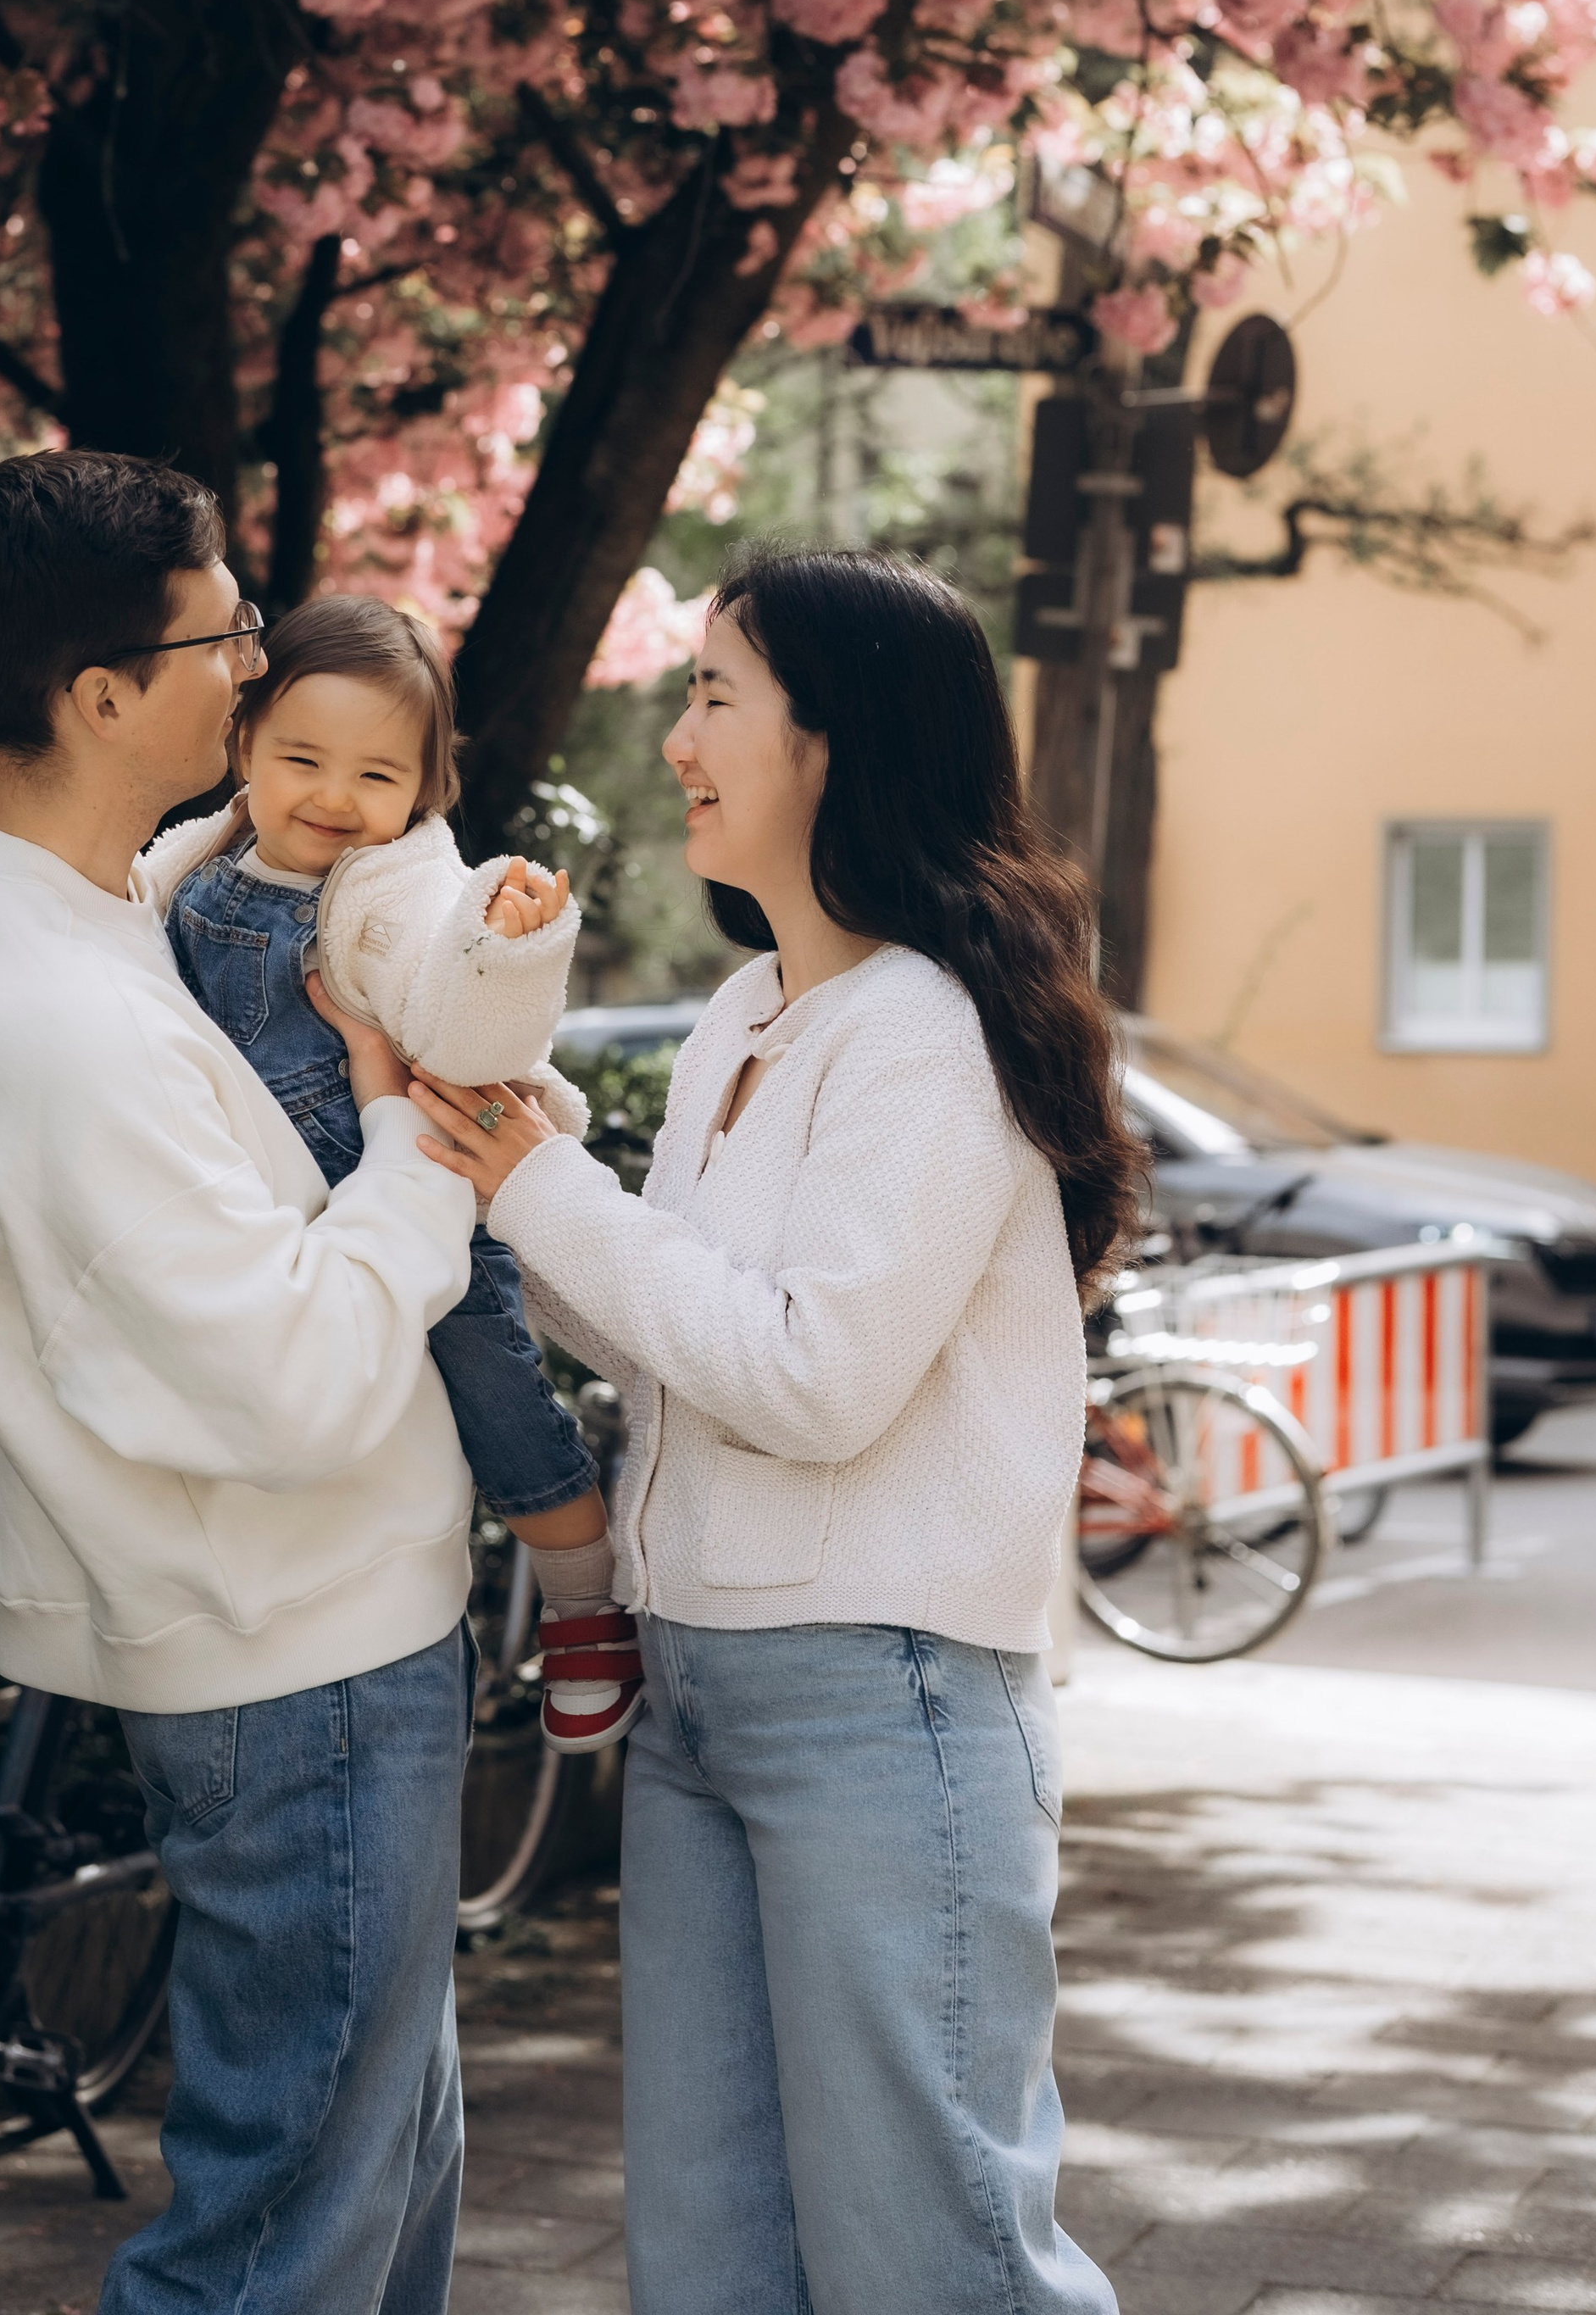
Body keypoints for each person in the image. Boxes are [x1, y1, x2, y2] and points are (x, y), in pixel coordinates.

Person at [406, 544, 1142, 2315]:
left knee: (932, 2254)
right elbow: (666, 1329)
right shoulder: (757, 1008)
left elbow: (813, 1375)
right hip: (706, 1695)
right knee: (713, 2253)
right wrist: (515, 1159)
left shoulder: (926, 1033)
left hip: (880, 1699)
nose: (678, 735)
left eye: (714, 691)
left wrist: (549, 1188)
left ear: (834, 741)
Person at [0, 451, 479, 2315]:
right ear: (101, 695)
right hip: (293, 1644)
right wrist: (414, 1150)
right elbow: (294, 1380)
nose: (253, 667)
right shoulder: (57, 1027)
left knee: (372, 2178)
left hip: (282, 1626)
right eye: (221, 634)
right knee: (280, 2228)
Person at [144, 589, 642, 1752]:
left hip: (419, 1174)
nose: (333, 797)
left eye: (377, 777)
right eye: (301, 758)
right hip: (274, 1193)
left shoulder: (395, 894)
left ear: (424, 791)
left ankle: (583, 1600)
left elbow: (462, 1029)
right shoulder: (199, 855)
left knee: (496, 1388)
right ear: (245, 746)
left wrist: (498, 954)